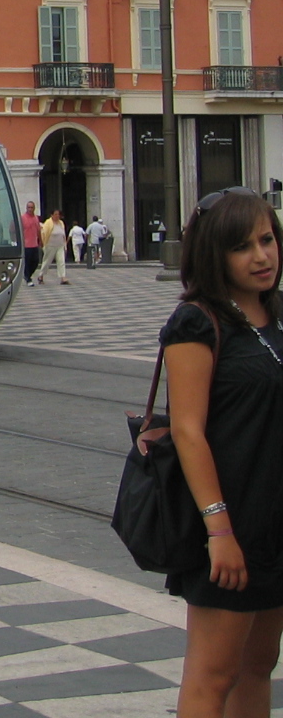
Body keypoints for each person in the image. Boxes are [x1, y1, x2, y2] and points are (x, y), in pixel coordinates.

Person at [159, 187, 283, 716]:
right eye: (243, 246)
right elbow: (188, 431)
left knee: (258, 666)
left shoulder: (276, 314)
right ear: (214, 254)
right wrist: (219, 530)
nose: (262, 256)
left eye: (268, 239)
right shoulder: (197, 321)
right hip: (231, 523)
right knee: (213, 675)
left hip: (275, 520)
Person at [33, 208, 70, 284]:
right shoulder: (48, 223)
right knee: (47, 261)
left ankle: (63, 277)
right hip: (50, 245)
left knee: (61, 261)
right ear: (52, 215)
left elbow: (63, 235)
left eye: (58, 214)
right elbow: (43, 232)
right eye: (55, 214)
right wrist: (42, 242)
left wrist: (65, 245)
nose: (57, 216)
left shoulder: (61, 223)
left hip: (60, 245)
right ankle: (41, 276)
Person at [20, 201, 42, 285]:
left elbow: (38, 230)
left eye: (31, 207)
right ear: (26, 208)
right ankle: (28, 278)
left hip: (34, 244)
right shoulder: (22, 218)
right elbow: (13, 229)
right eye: (28, 207)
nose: (30, 209)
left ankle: (27, 275)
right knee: (28, 262)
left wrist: (41, 241)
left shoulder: (36, 218)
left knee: (35, 262)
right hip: (26, 245)